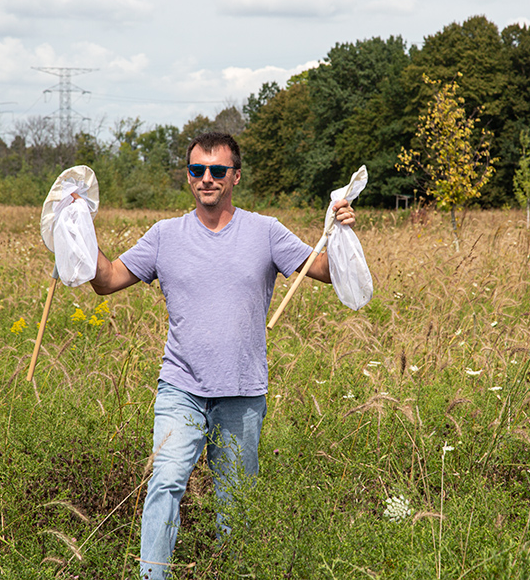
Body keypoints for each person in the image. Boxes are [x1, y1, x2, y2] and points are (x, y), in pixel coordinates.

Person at [79, 131, 356, 579]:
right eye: (197, 170)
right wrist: (77, 230)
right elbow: (106, 280)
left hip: (243, 395)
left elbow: (322, 269)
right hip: (181, 389)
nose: (206, 178)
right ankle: (153, 576)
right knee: (166, 481)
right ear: (188, 176)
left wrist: (337, 230)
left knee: (235, 504)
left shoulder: (265, 231)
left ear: (235, 177)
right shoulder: (164, 235)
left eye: (217, 170)